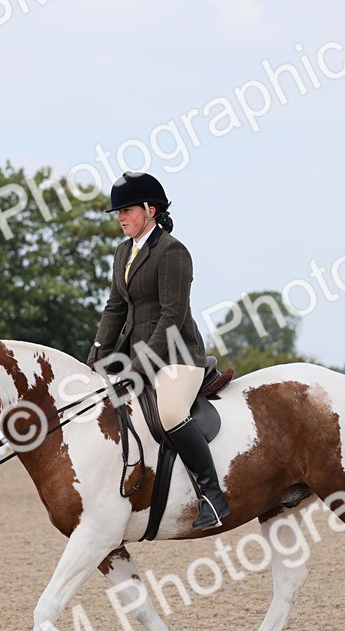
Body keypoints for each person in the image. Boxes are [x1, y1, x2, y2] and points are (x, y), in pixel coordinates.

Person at [87, 171, 230, 530]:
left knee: (169, 414)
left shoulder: (171, 251)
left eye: (126, 210)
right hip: (135, 354)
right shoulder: (123, 252)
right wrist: (98, 351)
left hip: (178, 356)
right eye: (117, 212)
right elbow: (115, 308)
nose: (120, 218)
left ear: (150, 210)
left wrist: (140, 365)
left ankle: (212, 496)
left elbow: (172, 316)